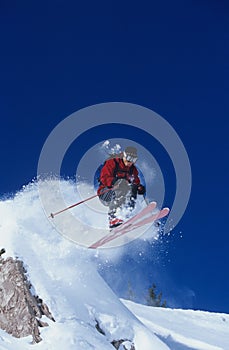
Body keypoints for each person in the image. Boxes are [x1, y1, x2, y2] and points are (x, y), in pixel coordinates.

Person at [97, 146, 146, 228]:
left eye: (134, 160)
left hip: (121, 194)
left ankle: (127, 214)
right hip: (106, 193)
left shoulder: (132, 169)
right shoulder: (113, 162)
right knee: (122, 183)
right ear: (124, 155)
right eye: (129, 158)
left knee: (132, 188)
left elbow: (135, 182)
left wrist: (139, 187)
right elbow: (104, 178)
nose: (130, 162)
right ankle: (113, 217)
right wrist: (115, 182)